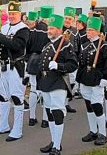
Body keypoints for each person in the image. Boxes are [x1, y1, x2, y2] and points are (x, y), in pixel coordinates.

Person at [37, 14, 78, 155]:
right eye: (49, 28)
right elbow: (42, 65)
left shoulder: (66, 44)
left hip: (58, 82)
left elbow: (73, 64)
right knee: (49, 113)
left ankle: (57, 146)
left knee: (57, 112)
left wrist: (59, 66)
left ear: (60, 30)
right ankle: (54, 141)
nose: (49, 30)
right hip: (46, 82)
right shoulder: (48, 45)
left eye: (52, 28)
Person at [0, 1, 30, 141]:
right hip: (2, 67)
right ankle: (4, 125)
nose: (12, 16)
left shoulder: (23, 29)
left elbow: (16, 46)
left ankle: (17, 130)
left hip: (15, 67)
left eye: (14, 13)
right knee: (3, 96)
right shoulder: (4, 27)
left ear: (20, 14)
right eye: (10, 13)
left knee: (16, 97)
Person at [77, 16, 107, 146]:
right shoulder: (86, 45)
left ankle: (102, 133)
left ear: (98, 31)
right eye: (88, 30)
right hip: (86, 78)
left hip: (97, 78)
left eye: (91, 30)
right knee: (89, 105)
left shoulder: (104, 45)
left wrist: (105, 78)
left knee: (97, 105)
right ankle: (93, 130)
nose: (88, 32)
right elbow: (82, 63)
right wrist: (78, 79)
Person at [25, 10, 49, 126]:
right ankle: (45, 119)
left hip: (32, 59)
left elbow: (27, 47)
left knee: (33, 89)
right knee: (44, 89)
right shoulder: (48, 30)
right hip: (44, 60)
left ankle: (32, 117)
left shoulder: (29, 31)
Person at [62, 6, 78, 113]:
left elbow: (77, 45)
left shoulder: (75, 31)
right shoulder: (59, 29)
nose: (68, 20)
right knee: (63, 82)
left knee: (72, 81)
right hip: (61, 60)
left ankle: (66, 102)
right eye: (66, 18)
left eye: (70, 19)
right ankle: (62, 103)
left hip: (71, 59)